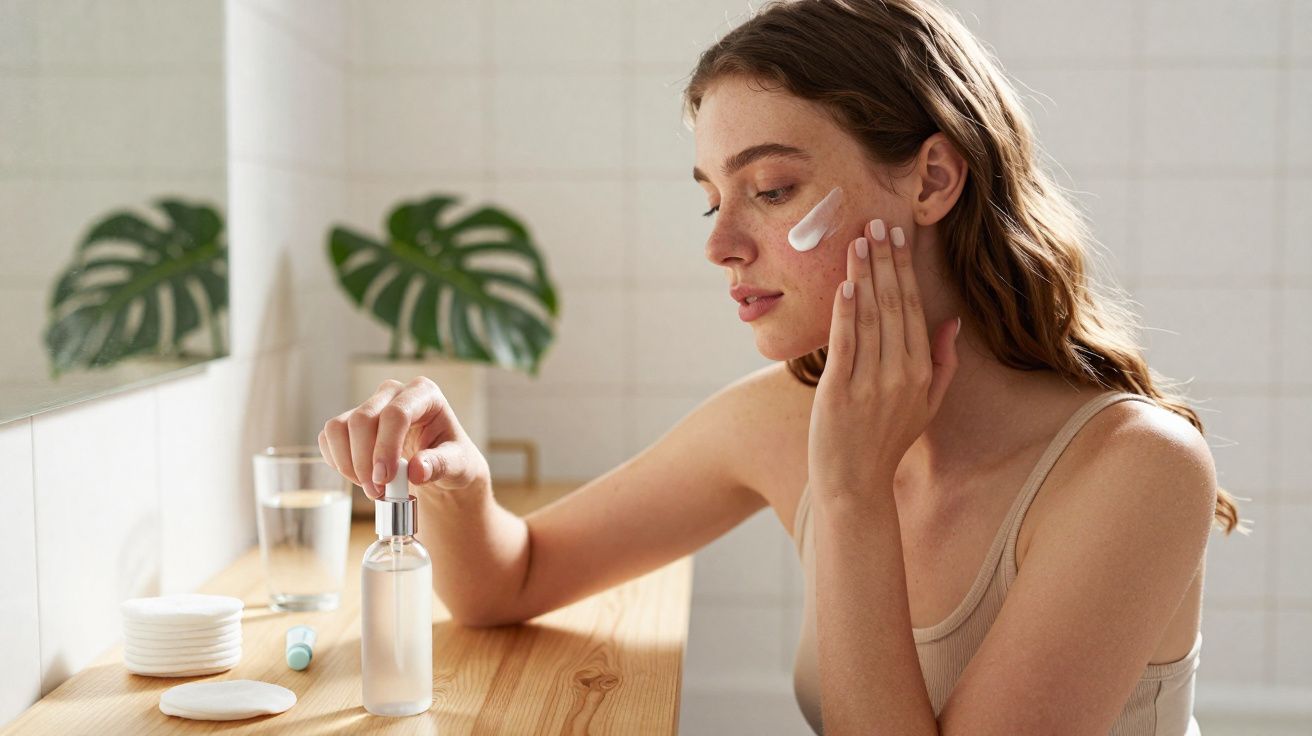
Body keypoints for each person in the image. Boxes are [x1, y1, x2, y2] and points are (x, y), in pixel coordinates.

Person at [319, 1, 1242, 732]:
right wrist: (454, 478)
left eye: (771, 190)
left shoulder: (1137, 469)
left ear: (931, 180)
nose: (721, 242)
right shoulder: (778, 418)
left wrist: (849, 491)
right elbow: (506, 583)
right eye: (712, 200)